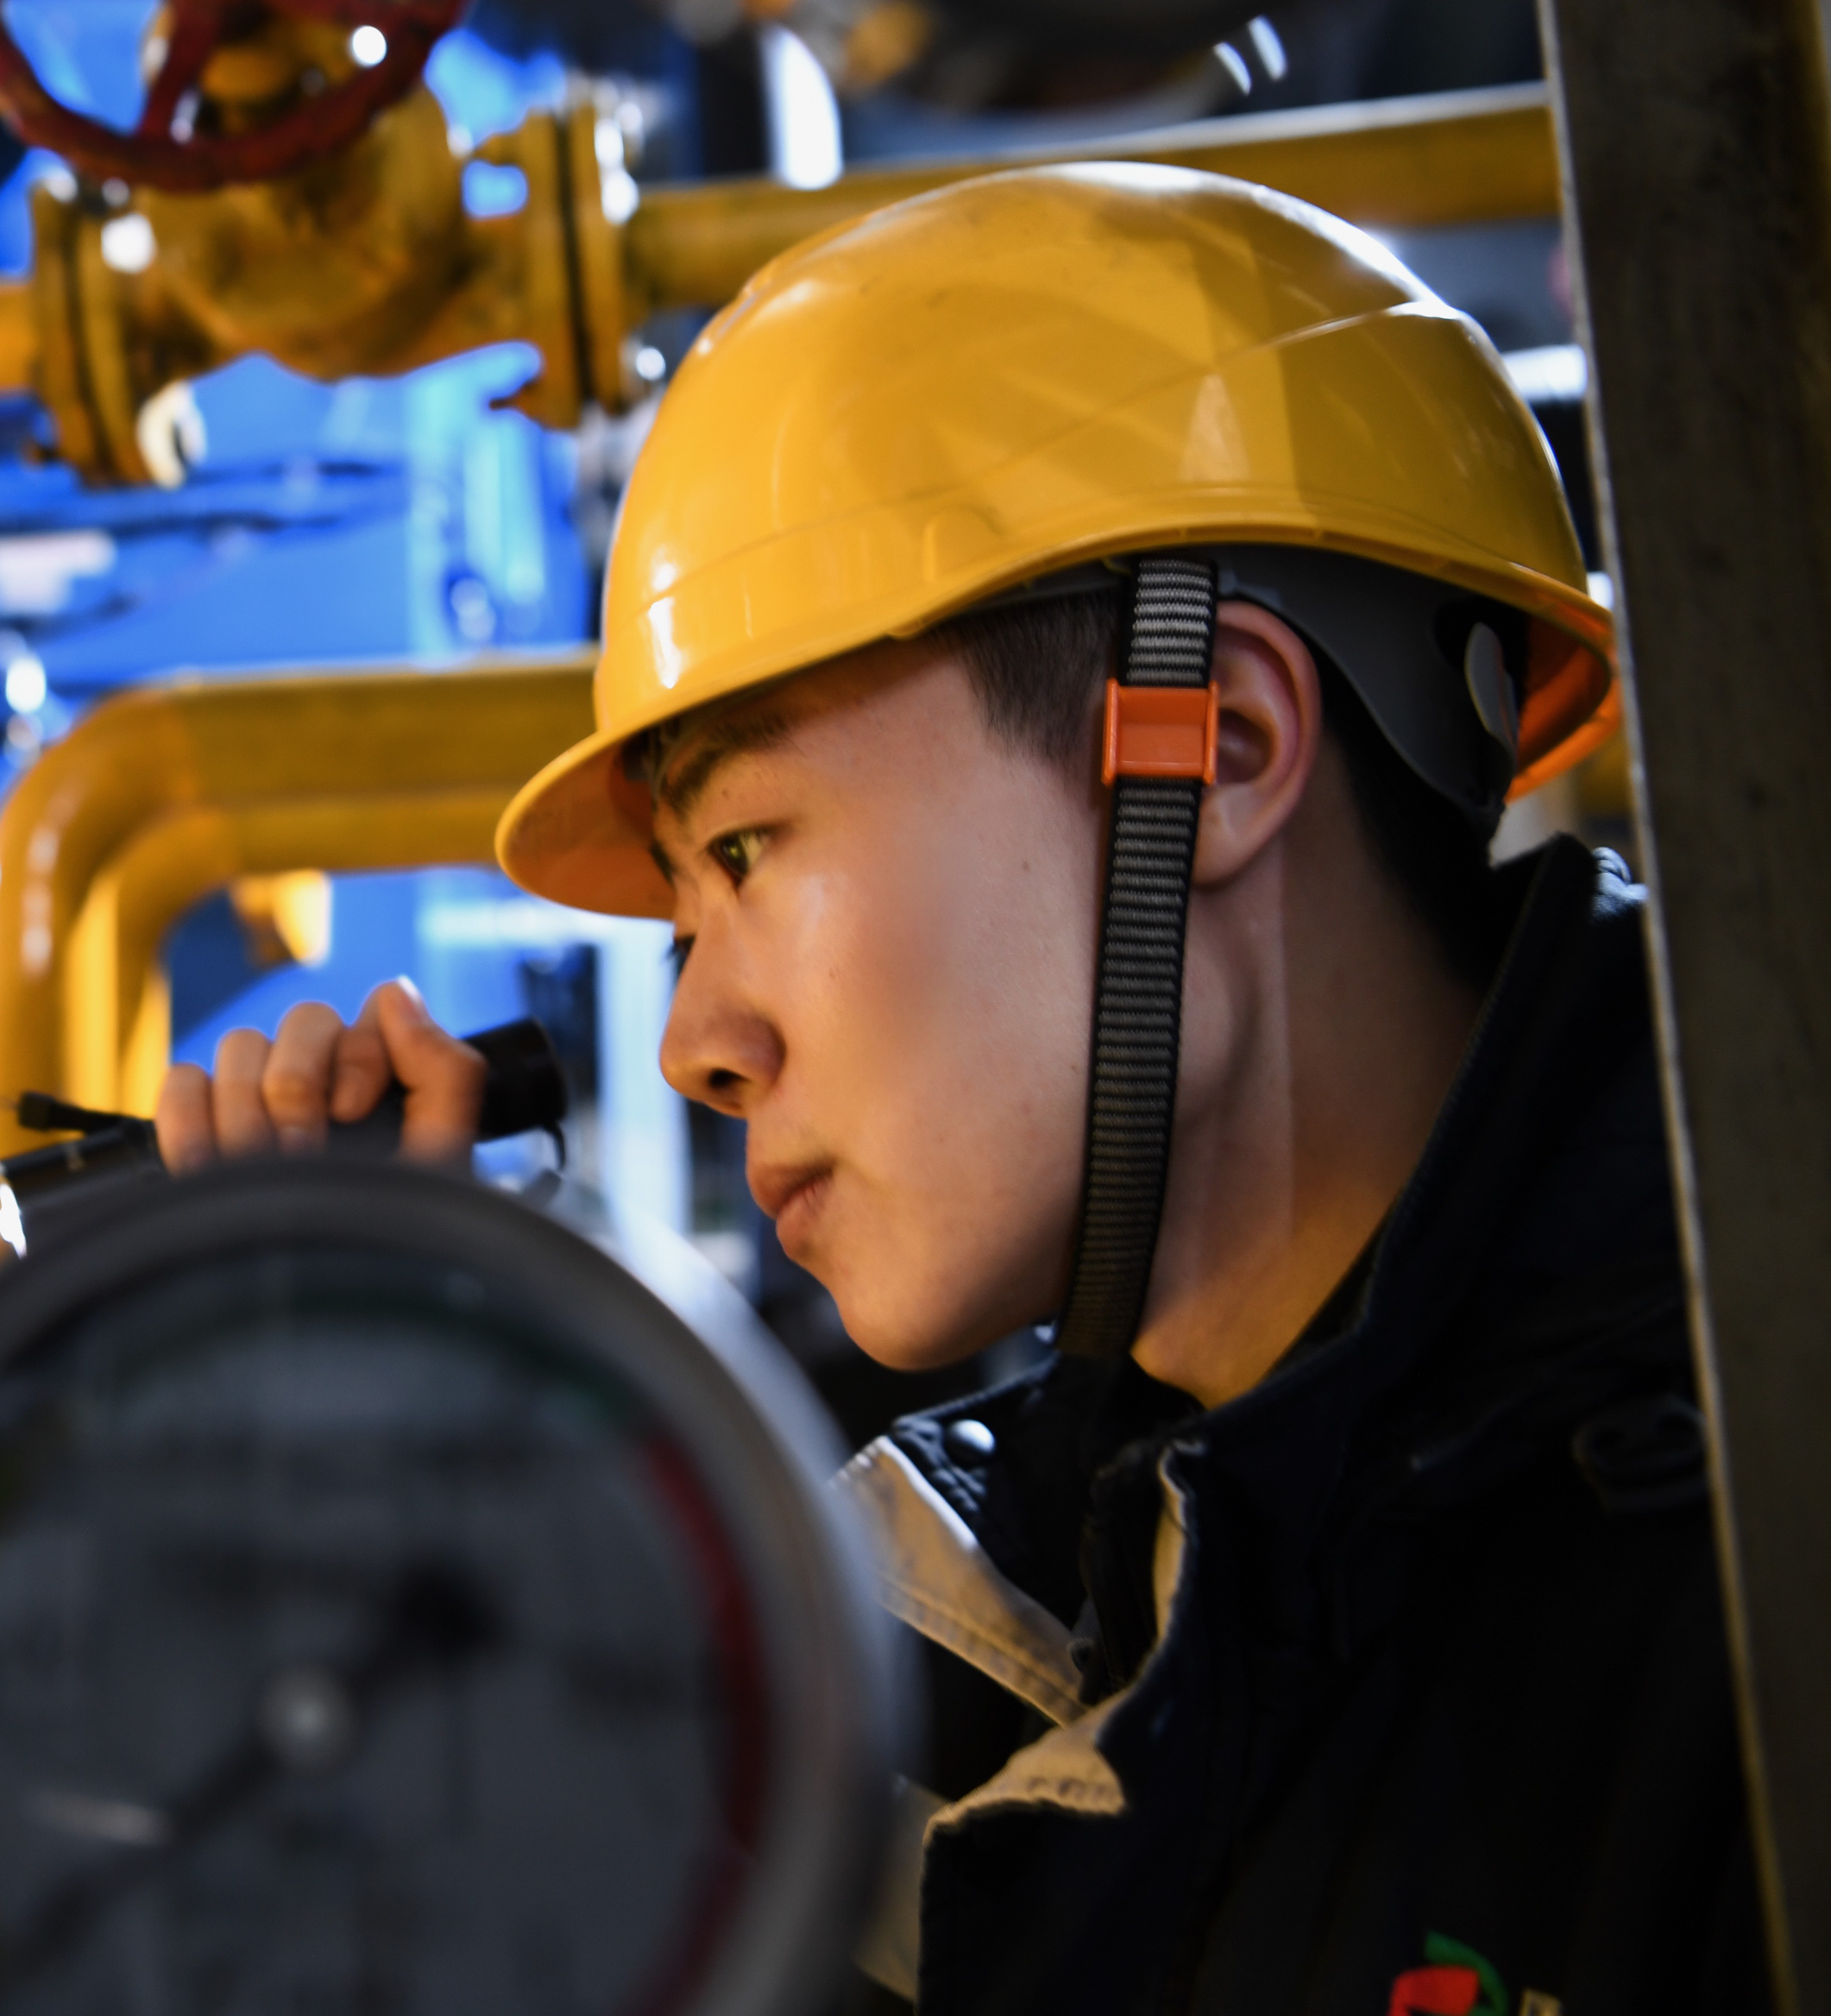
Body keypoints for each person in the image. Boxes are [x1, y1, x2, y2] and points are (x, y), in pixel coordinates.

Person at [151, 166, 1770, 2012]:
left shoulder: (1752, 1553)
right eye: (681, 919)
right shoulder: (985, 1648)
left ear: (1216, 750)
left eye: (745, 850)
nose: (695, 1042)